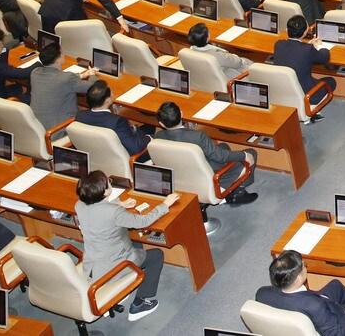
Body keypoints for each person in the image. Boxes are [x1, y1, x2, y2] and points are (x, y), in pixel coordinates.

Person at [75, 170, 174, 324]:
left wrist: (120, 204)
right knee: (156, 255)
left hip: (93, 264)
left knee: (133, 240)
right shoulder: (113, 213)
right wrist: (165, 204)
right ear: (105, 191)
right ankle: (140, 303)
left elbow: (99, 209)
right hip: (113, 267)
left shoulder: (79, 205)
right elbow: (143, 222)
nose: (109, 180)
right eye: (107, 181)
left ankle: (126, 286)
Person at [259, 249, 345, 336]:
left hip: (313, 305)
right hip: (337, 323)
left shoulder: (262, 293)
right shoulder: (314, 306)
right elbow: (338, 333)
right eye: (304, 265)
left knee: (336, 285)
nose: (305, 266)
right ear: (298, 278)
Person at [156, 101, 258, 205]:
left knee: (223, 146)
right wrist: (244, 155)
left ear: (161, 124)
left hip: (182, 174)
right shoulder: (197, 136)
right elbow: (220, 157)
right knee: (251, 153)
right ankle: (237, 193)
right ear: (181, 114)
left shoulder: (158, 137)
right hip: (205, 173)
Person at [29, 40, 96, 129]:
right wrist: (93, 76)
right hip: (58, 129)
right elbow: (93, 88)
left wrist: (82, 75)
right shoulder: (66, 78)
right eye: (62, 53)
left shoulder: (35, 73)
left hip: (37, 127)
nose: (63, 55)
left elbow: (60, 80)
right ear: (58, 59)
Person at [78, 79, 152, 159]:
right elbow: (135, 148)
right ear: (107, 100)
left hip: (96, 154)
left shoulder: (80, 116)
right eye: (111, 93)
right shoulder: (117, 122)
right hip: (125, 157)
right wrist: (149, 138)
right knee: (153, 131)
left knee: (147, 126)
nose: (113, 94)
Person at [273, 15, 334, 112]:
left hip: (284, 91)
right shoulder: (307, 49)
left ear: (286, 29)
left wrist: (309, 45)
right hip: (308, 95)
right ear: (306, 31)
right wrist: (320, 46)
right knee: (331, 81)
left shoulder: (278, 44)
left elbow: (295, 52)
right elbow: (324, 58)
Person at [186, 22, 250, 80]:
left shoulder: (189, 51)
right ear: (207, 38)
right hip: (225, 77)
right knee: (248, 63)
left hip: (205, 77)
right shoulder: (216, 55)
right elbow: (237, 63)